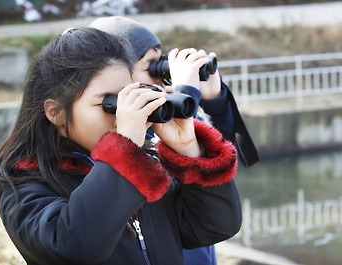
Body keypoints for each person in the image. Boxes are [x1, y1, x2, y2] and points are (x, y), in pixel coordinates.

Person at [0, 27, 241, 265]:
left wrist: (188, 148)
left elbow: (215, 226)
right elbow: (74, 247)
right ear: (55, 112)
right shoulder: (23, 182)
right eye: (108, 103)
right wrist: (125, 148)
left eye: (126, 97)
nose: (121, 113)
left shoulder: (146, 166)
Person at [90, 16, 259, 265]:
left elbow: (215, 170)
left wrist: (214, 100)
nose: (162, 73)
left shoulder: (164, 122)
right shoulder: (128, 138)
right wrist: (185, 95)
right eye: (152, 65)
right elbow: (165, 156)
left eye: (162, 61)